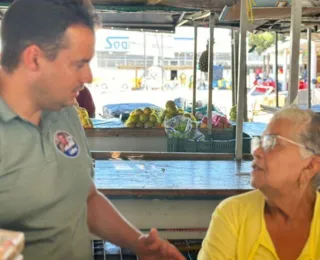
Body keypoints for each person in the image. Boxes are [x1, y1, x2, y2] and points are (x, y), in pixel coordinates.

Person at [0, 1, 185, 260]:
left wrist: (139, 243)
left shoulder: (63, 108)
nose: (88, 76)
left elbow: (85, 198)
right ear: (34, 58)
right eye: (78, 64)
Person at [198, 106, 320, 260]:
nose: (256, 152)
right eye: (259, 142)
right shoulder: (233, 215)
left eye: (272, 142)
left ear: (310, 166)